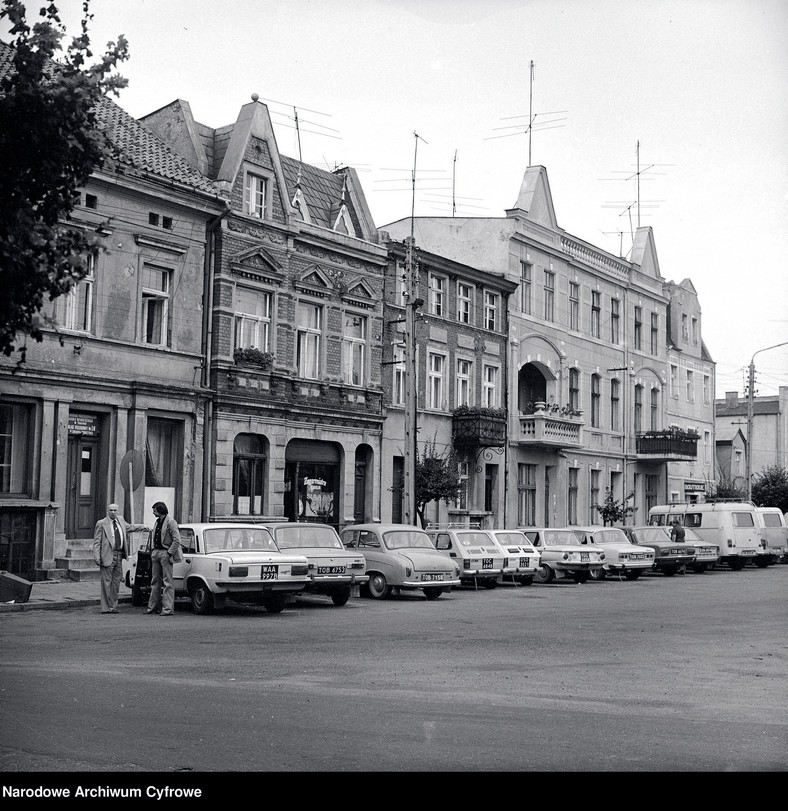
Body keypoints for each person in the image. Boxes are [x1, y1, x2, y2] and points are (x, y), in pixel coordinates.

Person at [93, 503, 148, 614]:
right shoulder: (102, 523)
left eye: (115, 510)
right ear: (107, 511)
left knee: (116, 582)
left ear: (118, 511)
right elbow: (97, 542)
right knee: (106, 582)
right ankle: (106, 608)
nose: (113, 512)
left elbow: (130, 527)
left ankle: (113, 606)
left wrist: (143, 526)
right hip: (107, 555)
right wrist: (97, 557)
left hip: (119, 555)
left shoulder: (121, 520)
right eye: (111, 510)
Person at [147, 501, 181, 616]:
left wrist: (169, 553)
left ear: (160, 510)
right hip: (156, 552)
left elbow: (177, 540)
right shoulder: (157, 522)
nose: (153, 513)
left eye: (154, 510)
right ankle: (152, 607)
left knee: (168, 582)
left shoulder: (171, 522)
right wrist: (153, 550)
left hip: (165, 553)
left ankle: (167, 609)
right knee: (155, 581)